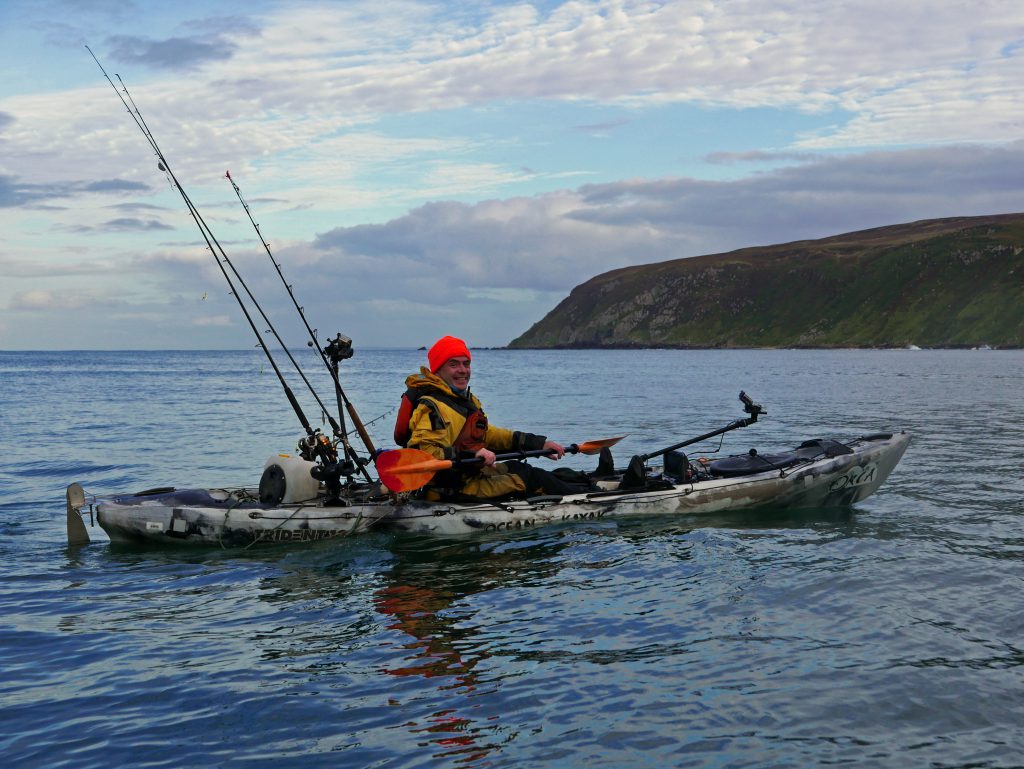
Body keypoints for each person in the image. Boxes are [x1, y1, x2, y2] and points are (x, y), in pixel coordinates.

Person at [394, 335, 588, 500]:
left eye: (466, 363)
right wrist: (472, 455)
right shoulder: (433, 407)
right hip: (450, 490)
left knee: (519, 467)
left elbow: (487, 434)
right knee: (530, 478)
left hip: (469, 475)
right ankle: (590, 497)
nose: (462, 370)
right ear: (438, 370)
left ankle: (589, 485)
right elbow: (425, 454)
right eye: (453, 364)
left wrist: (538, 443)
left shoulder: (463, 400)